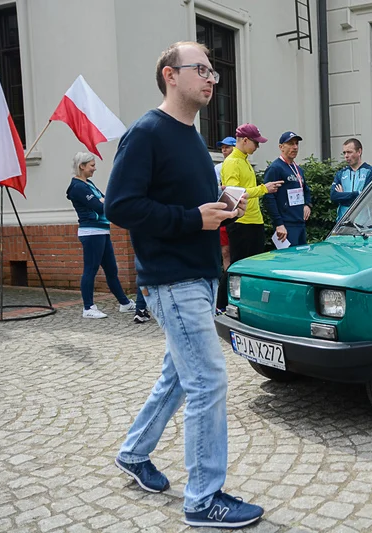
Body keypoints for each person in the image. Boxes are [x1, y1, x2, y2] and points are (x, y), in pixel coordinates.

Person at [104, 41, 261, 529]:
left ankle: (133, 453)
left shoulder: (192, 136)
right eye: (202, 69)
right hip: (172, 280)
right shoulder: (147, 133)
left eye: (214, 70)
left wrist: (220, 204)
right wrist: (192, 218)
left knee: (178, 377)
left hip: (197, 274)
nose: (212, 77)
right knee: (208, 380)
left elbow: (188, 205)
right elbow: (120, 206)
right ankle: (203, 497)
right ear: (171, 75)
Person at [215, 124, 283, 311]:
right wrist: (264, 188)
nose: (257, 147)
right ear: (244, 140)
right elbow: (234, 193)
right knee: (237, 266)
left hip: (253, 221)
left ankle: (244, 304)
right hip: (241, 223)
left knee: (252, 268)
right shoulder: (232, 162)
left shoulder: (243, 160)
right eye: (255, 143)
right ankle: (221, 305)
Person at [65, 152, 135, 319]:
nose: (94, 169)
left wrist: (105, 201)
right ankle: (88, 308)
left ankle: (124, 303)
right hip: (91, 233)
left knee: (111, 269)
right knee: (90, 269)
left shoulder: (88, 184)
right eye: (92, 165)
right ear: (82, 166)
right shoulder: (78, 187)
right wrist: (104, 202)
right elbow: (100, 206)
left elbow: (105, 201)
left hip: (102, 231)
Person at [262, 131, 312, 246]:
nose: (294, 147)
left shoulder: (298, 169)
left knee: (300, 259)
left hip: (300, 223)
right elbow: (269, 197)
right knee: (288, 261)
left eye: (296, 144)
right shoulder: (275, 168)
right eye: (290, 144)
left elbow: (305, 190)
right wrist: (279, 223)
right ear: (281, 147)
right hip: (286, 225)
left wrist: (307, 204)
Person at [330, 138, 372, 221]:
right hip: (343, 223)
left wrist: (343, 196)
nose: (346, 156)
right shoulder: (341, 173)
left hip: (363, 224)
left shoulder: (370, 171)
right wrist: (356, 194)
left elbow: (365, 197)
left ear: (359, 152)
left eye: (349, 152)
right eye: (344, 152)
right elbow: (334, 196)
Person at [214, 136, 236, 273]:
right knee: (225, 250)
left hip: (238, 214)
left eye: (227, 147)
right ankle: (227, 278)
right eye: (222, 148)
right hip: (223, 212)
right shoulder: (218, 168)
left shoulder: (241, 164)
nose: (224, 150)